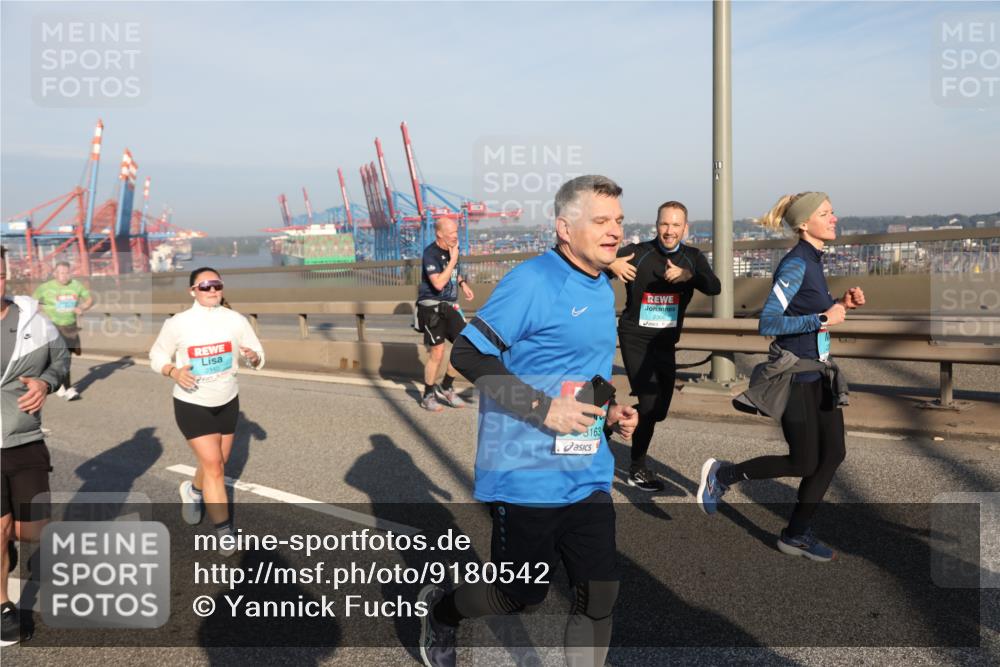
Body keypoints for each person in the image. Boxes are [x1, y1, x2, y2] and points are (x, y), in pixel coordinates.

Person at [418, 176, 638, 667]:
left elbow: (587, 373)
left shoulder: (603, 286)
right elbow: (467, 354)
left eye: (618, 221)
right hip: (527, 474)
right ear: (565, 227)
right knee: (519, 596)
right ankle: (444, 612)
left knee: (599, 597)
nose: (614, 231)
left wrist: (609, 413)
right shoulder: (534, 281)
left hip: (586, 471)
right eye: (600, 221)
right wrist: (543, 408)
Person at [697, 192, 865, 561]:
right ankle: (723, 476)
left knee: (833, 453)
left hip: (819, 375)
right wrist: (824, 318)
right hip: (795, 380)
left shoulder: (814, 261)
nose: (834, 218)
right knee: (804, 462)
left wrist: (841, 304)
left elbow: (809, 306)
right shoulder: (795, 264)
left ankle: (796, 534)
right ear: (805, 224)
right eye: (826, 213)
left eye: (833, 211)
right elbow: (769, 322)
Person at [605, 201, 720, 491]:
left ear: (685, 228)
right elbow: (591, 266)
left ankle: (608, 422)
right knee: (649, 402)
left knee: (658, 410)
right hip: (635, 336)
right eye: (664, 224)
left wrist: (688, 276)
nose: (669, 231)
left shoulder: (692, 257)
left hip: (666, 341)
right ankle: (637, 468)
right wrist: (612, 263)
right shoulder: (639, 253)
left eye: (676, 225)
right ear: (656, 225)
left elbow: (714, 286)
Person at [149, 267, 264, 556]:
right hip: (191, 402)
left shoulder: (235, 320)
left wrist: (253, 356)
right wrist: (173, 370)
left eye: (217, 285)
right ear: (193, 291)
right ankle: (224, 531)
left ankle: (193, 491)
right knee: (214, 466)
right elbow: (156, 355)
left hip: (227, 399)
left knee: (218, 462)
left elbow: (258, 353)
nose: (212, 290)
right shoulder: (179, 323)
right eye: (205, 286)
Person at [1, 246, 69, 644]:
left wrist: (46, 383)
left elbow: (60, 361)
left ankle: (10, 535)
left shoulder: (33, 321)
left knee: (31, 531)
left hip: (24, 439)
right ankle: (3, 608)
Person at [416, 217, 474, 411]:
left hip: (450, 306)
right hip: (431, 307)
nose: (455, 237)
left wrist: (463, 284)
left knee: (465, 346)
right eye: (451, 233)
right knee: (437, 353)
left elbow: (454, 272)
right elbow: (439, 283)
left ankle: (447, 386)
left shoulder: (453, 249)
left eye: (456, 232)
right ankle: (428, 394)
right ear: (440, 234)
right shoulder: (430, 254)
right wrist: (454, 259)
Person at [31, 261, 92, 401]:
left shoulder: (76, 286)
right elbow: (33, 301)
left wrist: (82, 308)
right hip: (53, 327)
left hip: (71, 327)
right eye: (61, 273)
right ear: (55, 274)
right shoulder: (46, 287)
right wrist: (41, 311)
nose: (65, 276)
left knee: (66, 358)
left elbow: (89, 299)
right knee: (63, 357)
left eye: (67, 273)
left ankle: (58, 384)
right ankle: (68, 388)